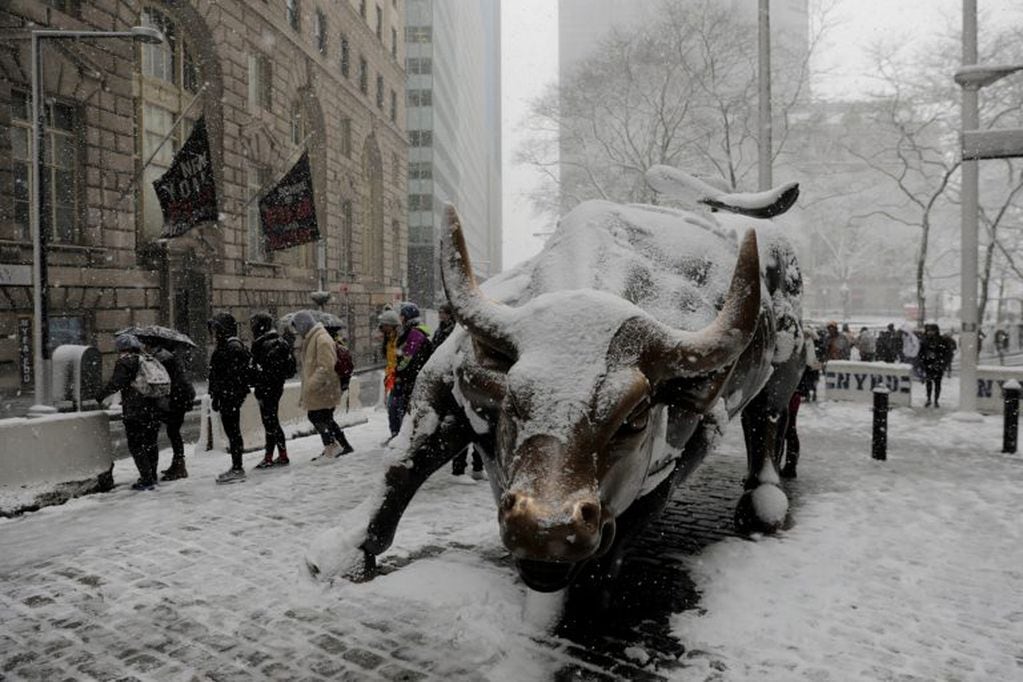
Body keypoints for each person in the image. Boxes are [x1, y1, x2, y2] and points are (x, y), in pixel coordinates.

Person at [96, 334, 163, 491]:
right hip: (153, 406)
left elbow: (116, 383)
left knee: (136, 444)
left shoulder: (125, 362)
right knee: (151, 443)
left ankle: (146, 479)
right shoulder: (147, 359)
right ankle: (152, 475)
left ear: (121, 348)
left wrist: (99, 396)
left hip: (136, 409)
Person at [292, 311, 352, 460]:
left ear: (304, 324)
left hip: (324, 387)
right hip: (323, 388)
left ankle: (332, 447)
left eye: (297, 327)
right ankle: (340, 446)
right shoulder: (314, 338)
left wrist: (312, 384)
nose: (297, 332)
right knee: (326, 418)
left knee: (317, 416)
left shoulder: (321, 339)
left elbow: (326, 366)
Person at [208, 312, 252, 484]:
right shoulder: (229, 345)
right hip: (229, 395)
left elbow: (229, 376)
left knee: (233, 432)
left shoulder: (231, 347)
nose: (214, 333)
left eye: (216, 328)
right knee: (232, 432)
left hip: (230, 396)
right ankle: (236, 466)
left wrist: (221, 394)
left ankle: (237, 467)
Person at [250, 312, 296, 469]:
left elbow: (254, 370)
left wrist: (258, 386)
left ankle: (273, 456)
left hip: (265, 388)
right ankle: (278, 455)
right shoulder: (281, 341)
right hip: (277, 387)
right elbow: (289, 369)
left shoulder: (260, 344)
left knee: (270, 423)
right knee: (272, 421)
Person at [151, 341, 196, 481]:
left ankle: (180, 466)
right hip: (182, 396)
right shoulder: (172, 358)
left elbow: (165, 380)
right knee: (173, 431)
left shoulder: (165, 359)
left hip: (178, 397)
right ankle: (177, 463)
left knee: (173, 431)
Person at [780, 330, 819, 479]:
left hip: (791, 390)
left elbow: (809, 364)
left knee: (787, 428)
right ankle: (789, 464)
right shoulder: (804, 344)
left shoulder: (804, 344)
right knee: (789, 428)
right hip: (793, 390)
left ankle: (788, 464)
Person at [393, 302, 433, 421]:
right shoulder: (414, 331)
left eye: (401, 315)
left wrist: (398, 372)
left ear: (406, 317)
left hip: (412, 380)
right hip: (412, 378)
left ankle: (405, 436)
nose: (399, 318)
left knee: (407, 412)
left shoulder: (414, 334)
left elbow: (407, 358)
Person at [378, 309, 402, 440]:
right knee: (392, 407)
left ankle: (398, 434)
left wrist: (398, 373)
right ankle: (394, 433)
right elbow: (389, 359)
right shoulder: (388, 339)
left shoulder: (399, 338)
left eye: (386, 325)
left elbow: (402, 358)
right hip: (392, 377)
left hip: (399, 377)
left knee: (396, 406)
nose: (384, 328)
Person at [918, 323, 950, 408]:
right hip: (928, 365)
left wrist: (942, 363)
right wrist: (922, 361)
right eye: (929, 331)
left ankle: (936, 400)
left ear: (936, 331)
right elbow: (920, 353)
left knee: (937, 384)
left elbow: (947, 353)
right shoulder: (924, 341)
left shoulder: (942, 340)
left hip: (938, 365)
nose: (930, 332)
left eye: (932, 330)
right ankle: (928, 399)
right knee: (928, 383)